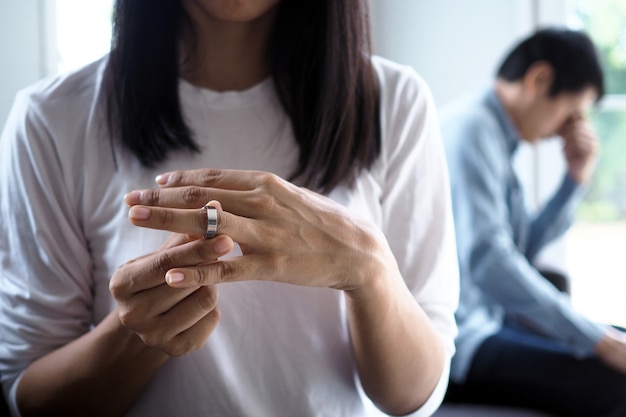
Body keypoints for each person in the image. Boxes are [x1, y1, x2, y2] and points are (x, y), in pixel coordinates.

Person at [0, 1, 459, 416]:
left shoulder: (395, 101)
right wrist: (134, 335)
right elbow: (26, 391)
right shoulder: (52, 118)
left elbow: (415, 393)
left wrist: (369, 270)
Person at [440, 27, 626, 416]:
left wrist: (574, 179)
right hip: (463, 340)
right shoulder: (473, 129)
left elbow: (522, 249)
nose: (568, 127)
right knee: (616, 378)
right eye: (572, 111)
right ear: (539, 80)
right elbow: (491, 262)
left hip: (492, 322)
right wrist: (595, 341)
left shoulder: (497, 139)